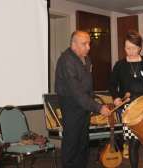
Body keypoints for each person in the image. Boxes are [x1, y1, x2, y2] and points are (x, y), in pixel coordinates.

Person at [55, 30, 111, 168]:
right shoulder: (66, 62)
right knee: (71, 142)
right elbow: (77, 92)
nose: (88, 47)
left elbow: (88, 83)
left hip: (83, 103)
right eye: (84, 44)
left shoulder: (86, 58)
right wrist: (97, 107)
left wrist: (90, 104)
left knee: (83, 142)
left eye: (89, 43)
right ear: (73, 44)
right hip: (71, 104)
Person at [108, 30, 143, 168]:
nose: (130, 51)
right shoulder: (120, 65)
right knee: (133, 141)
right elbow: (112, 84)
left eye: (133, 48)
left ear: (140, 47)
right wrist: (116, 98)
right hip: (129, 108)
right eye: (127, 48)